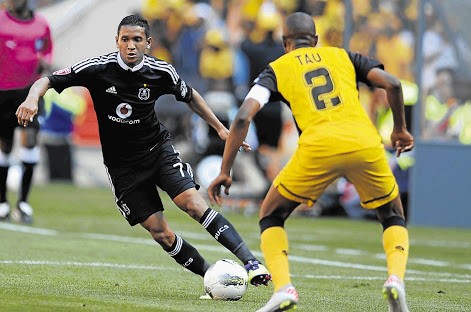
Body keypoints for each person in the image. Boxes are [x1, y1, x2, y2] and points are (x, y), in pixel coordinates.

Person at [15, 14, 270, 294]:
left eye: (137, 39)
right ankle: (213, 277)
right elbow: (48, 80)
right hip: (123, 168)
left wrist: (220, 129)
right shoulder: (98, 68)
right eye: (125, 39)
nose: (131, 45)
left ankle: (251, 263)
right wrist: (31, 98)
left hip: (157, 151)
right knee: (161, 233)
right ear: (117, 42)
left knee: (193, 204)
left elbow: (191, 96)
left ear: (148, 43)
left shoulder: (161, 72)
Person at [208, 12, 414, 312]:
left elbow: (242, 116)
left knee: (271, 215)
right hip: (364, 143)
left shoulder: (278, 68)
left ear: (284, 43)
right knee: (392, 213)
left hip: (319, 147)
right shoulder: (343, 55)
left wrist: (225, 171)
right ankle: (395, 279)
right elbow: (393, 84)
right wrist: (400, 129)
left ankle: (283, 288)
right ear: (315, 41)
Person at [0, 0, 53, 224]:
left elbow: (48, 50)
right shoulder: (1, 20)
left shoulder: (41, 24)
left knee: (30, 138)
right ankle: (2, 202)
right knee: (6, 144)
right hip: (3, 91)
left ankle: (23, 202)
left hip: (30, 91)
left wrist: (45, 62)